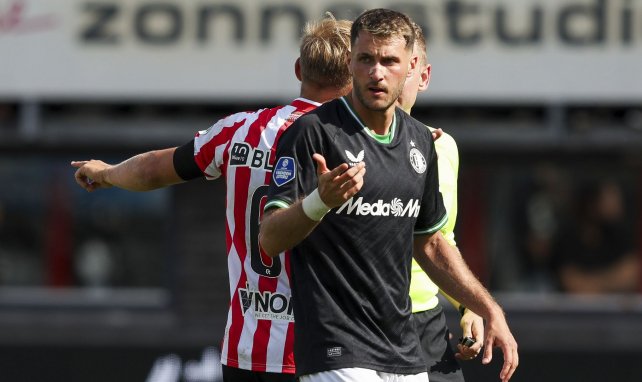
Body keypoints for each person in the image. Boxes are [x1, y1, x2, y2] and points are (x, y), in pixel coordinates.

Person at [71, 15, 353, 382]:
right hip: (330, 353)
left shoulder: (241, 129)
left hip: (248, 350)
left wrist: (107, 173)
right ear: (355, 77)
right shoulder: (355, 142)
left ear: (299, 68)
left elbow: (157, 168)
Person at [259, 8, 518, 382]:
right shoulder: (312, 133)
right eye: (366, 59)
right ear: (350, 62)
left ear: (411, 67)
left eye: (389, 61)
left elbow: (430, 244)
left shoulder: (421, 142)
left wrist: (486, 308)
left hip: (403, 352)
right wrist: (320, 201)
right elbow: (269, 237)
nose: (376, 73)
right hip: (337, 349)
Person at [397, 23, 484, 381]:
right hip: (363, 326)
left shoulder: (443, 147)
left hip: (427, 323)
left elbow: (441, 239)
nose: (394, 77)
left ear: (424, 75)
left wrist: (469, 305)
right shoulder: (340, 143)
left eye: (405, 66)